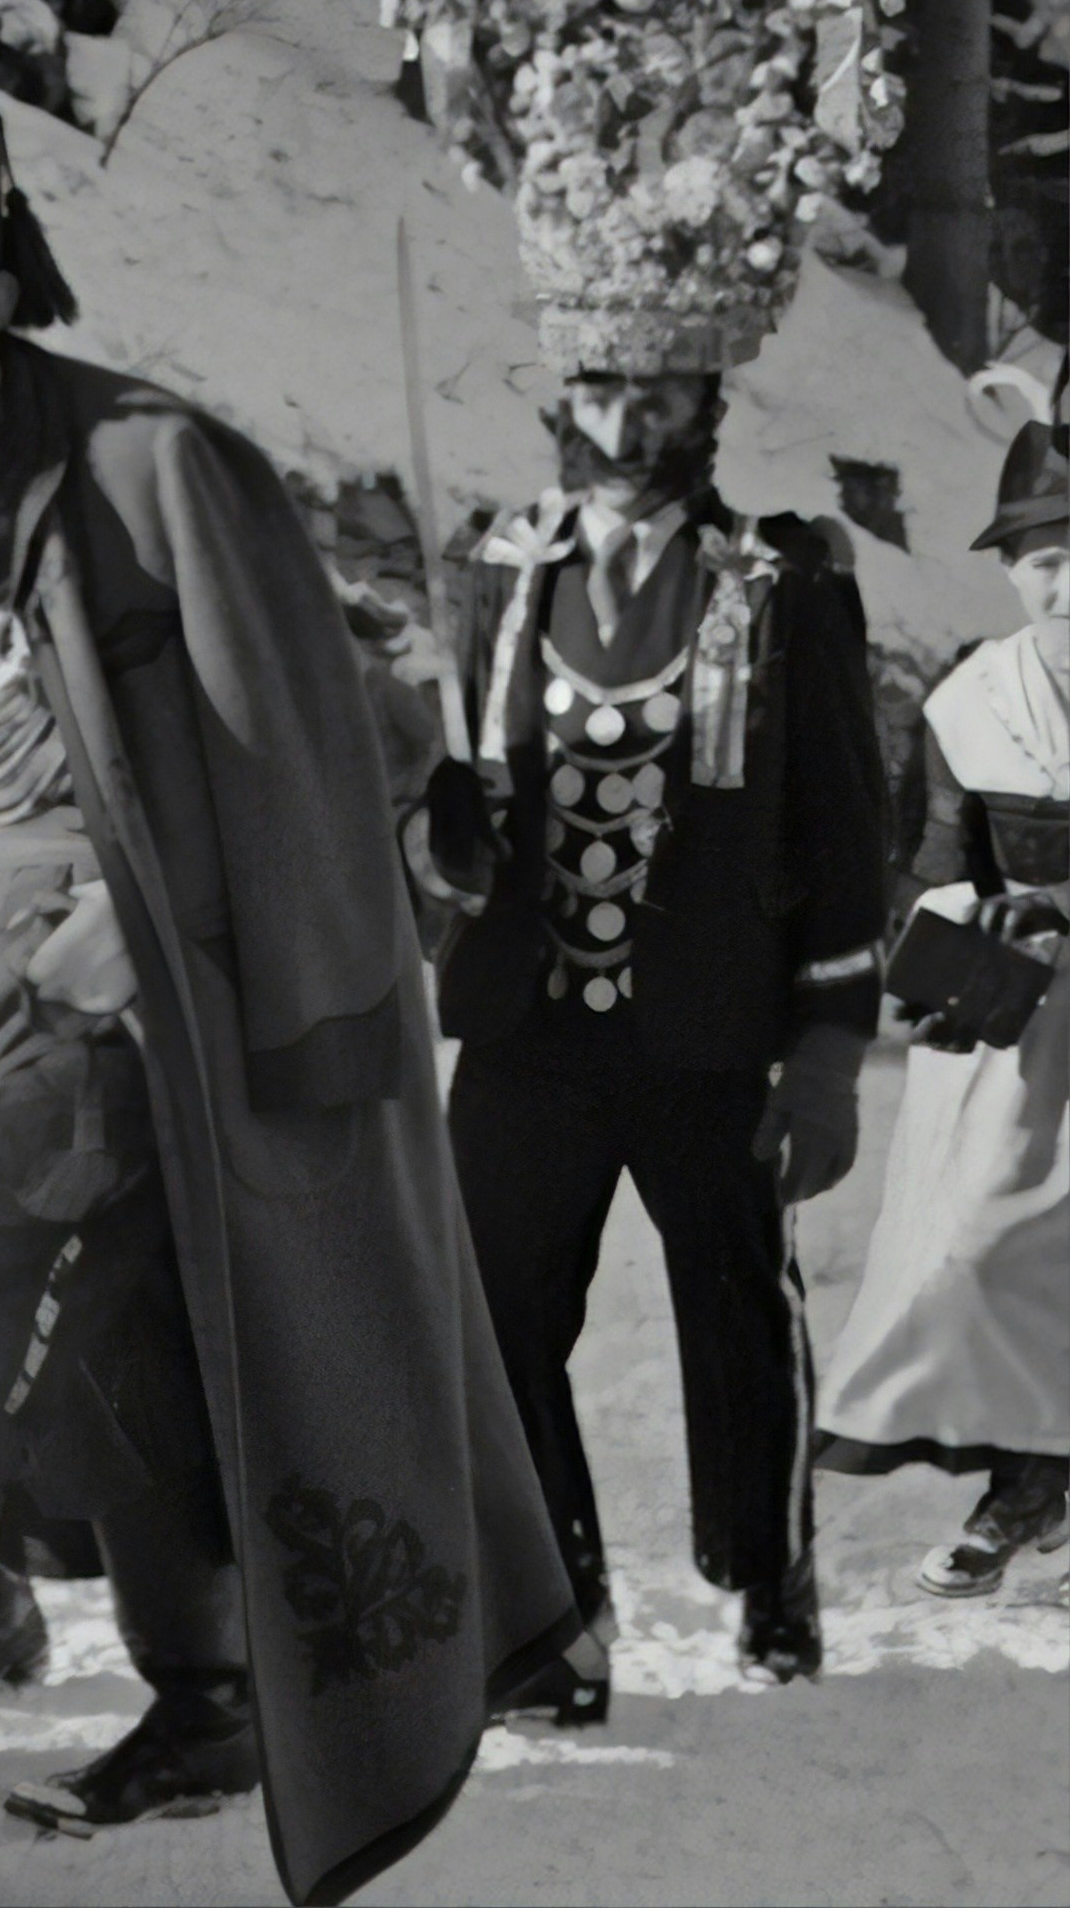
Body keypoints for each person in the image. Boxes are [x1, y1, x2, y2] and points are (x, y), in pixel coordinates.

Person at [0, 81, 573, 1908]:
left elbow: (301, 750)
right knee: (125, 1345)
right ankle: (209, 1691)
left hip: (126, 1009)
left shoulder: (148, 463)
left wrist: (151, 919)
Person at [422, 349, 890, 1711]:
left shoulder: (783, 580)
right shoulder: (504, 567)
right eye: (604, 394)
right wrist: (443, 836)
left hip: (709, 1027)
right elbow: (460, 798)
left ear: (709, 408)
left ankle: (769, 1568)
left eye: (662, 397)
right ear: (565, 403)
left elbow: (844, 827)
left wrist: (826, 1049)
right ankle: (554, 1615)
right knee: (491, 1322)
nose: (629, 427)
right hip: (529, 1029)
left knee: (739, 1313)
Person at [816, 413, 1069, 1602]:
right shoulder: (973, 696)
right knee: (981, 1250)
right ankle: (1026, 1479)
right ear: (1010, 570)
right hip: (1020, 1016)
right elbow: (931, 858)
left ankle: (1033, 1496)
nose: (1063, 581)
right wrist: (974, 924)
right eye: (1041, 559)